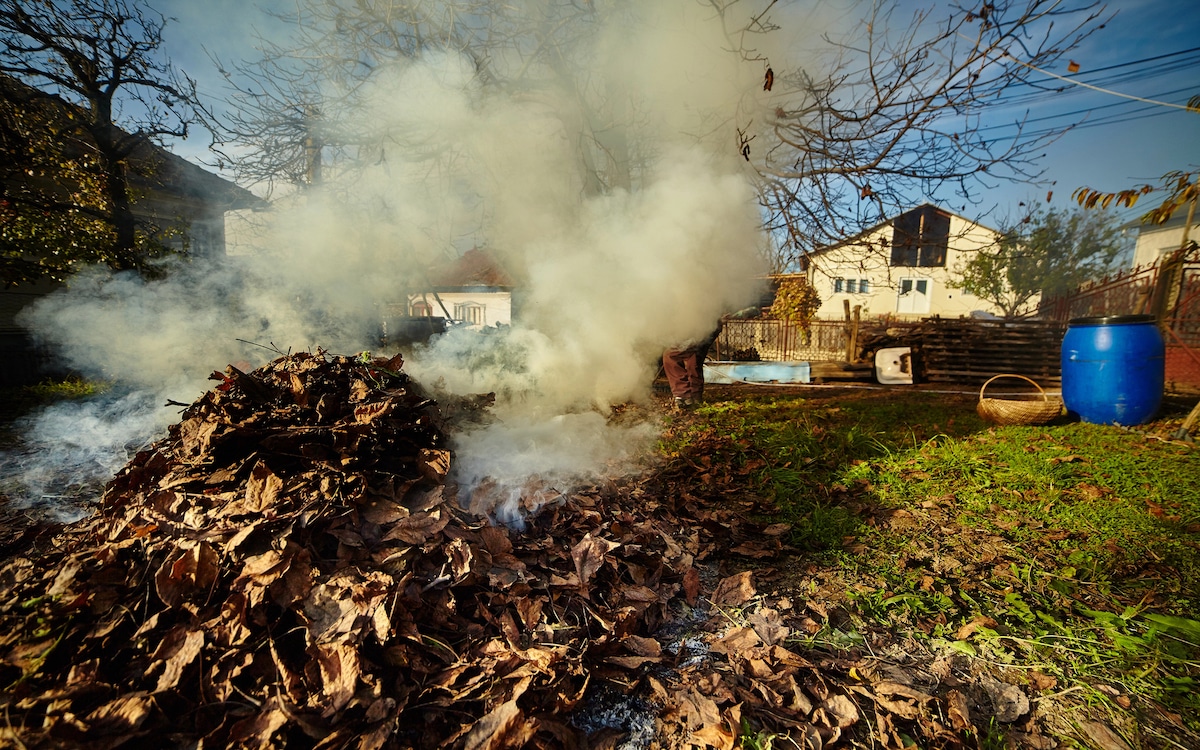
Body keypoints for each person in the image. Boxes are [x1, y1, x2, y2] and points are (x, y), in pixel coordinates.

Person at [662, 320, 722, 411]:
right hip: (711, 325)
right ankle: (695, 398)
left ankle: (683, 395)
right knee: (693, 359)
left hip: (699, 326)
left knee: (671, 355)